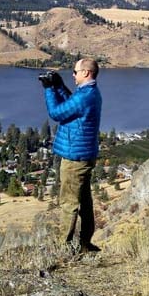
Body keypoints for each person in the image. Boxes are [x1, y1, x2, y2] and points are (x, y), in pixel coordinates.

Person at [41, 58, 103, 252]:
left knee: (69, 204)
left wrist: (48, 89)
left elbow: (57, 113)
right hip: (84, 156)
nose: (73, 75)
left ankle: (63, 248)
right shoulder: (89, 93)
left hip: (74, 158)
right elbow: (70, 104)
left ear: (86, 73)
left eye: (75, 72)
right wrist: (59, 86)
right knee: (84, 202)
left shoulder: (85, 96)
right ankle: (85, 244)